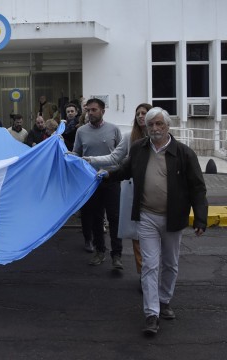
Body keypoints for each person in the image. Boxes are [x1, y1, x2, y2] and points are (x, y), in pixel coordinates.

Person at [101, 107, 208, 335]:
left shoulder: (184, 153)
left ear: (168, 126)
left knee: (170, 263)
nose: (155, 128)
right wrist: (107, 175)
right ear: (145, 127)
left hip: (174, 217)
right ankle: (152, 314)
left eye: (159, 124)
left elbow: (198, 188)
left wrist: (200, 218)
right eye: (151, 125)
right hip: (147, 215)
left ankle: (164, 300)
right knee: (150, 265)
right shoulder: (139, 149)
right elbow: (124, 170)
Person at [85, 103, 152, 282]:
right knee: (138, 234)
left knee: (153, 237)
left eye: (144, 113)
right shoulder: (130, 138)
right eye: (137, 113)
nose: (140, 116)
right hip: (131, 190)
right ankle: (143, 276)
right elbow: (115, 157)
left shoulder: (161, 139)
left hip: (156, 194)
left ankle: (147, 271)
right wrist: (91, 160)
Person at [72, 98, 123, 269]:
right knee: (96, 218)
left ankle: (116, 255)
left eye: (94, 110)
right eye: (88, 110)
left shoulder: (114, 130)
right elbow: (76, 154)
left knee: (115, 218)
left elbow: (120, 155)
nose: (90, 113)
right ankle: (99, 251)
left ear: (102, 111)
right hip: (91, 181)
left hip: (111, 179)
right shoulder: (81, 131)